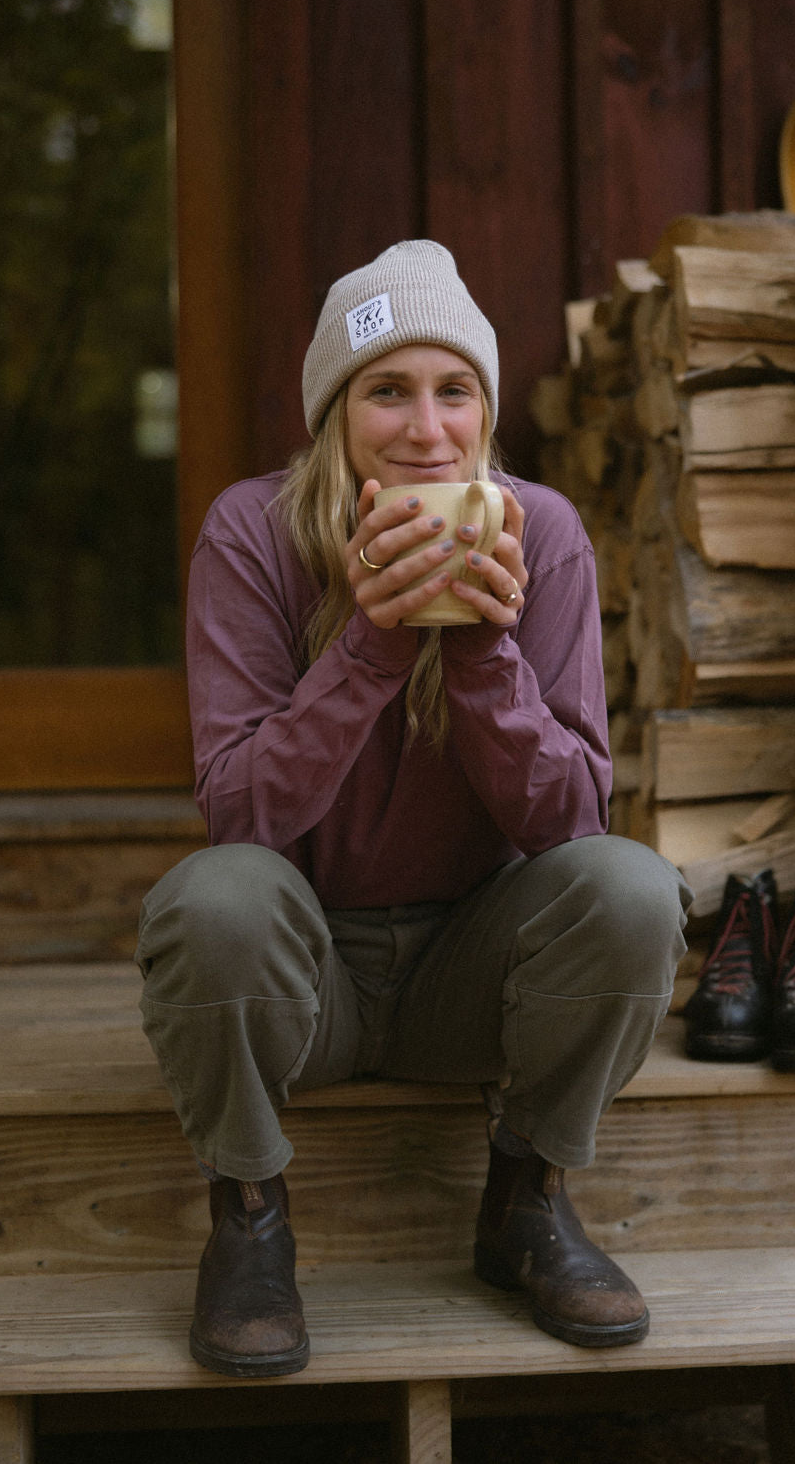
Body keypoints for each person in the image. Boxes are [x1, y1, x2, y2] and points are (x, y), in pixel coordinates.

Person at [136, 240, 692, 1378]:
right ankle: (248, 1214)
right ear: (334, 410)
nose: (425, 428)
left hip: (470, 974)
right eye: (386, 389)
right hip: (312, 981)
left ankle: (528, 1194)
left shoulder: (549, 536)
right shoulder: (254, 533)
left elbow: (571, 823)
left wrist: (485, 657)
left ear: (486, 411)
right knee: (212, 899)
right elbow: (240, 814)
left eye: (455, 392)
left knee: (634, 885)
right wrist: (372, 645)